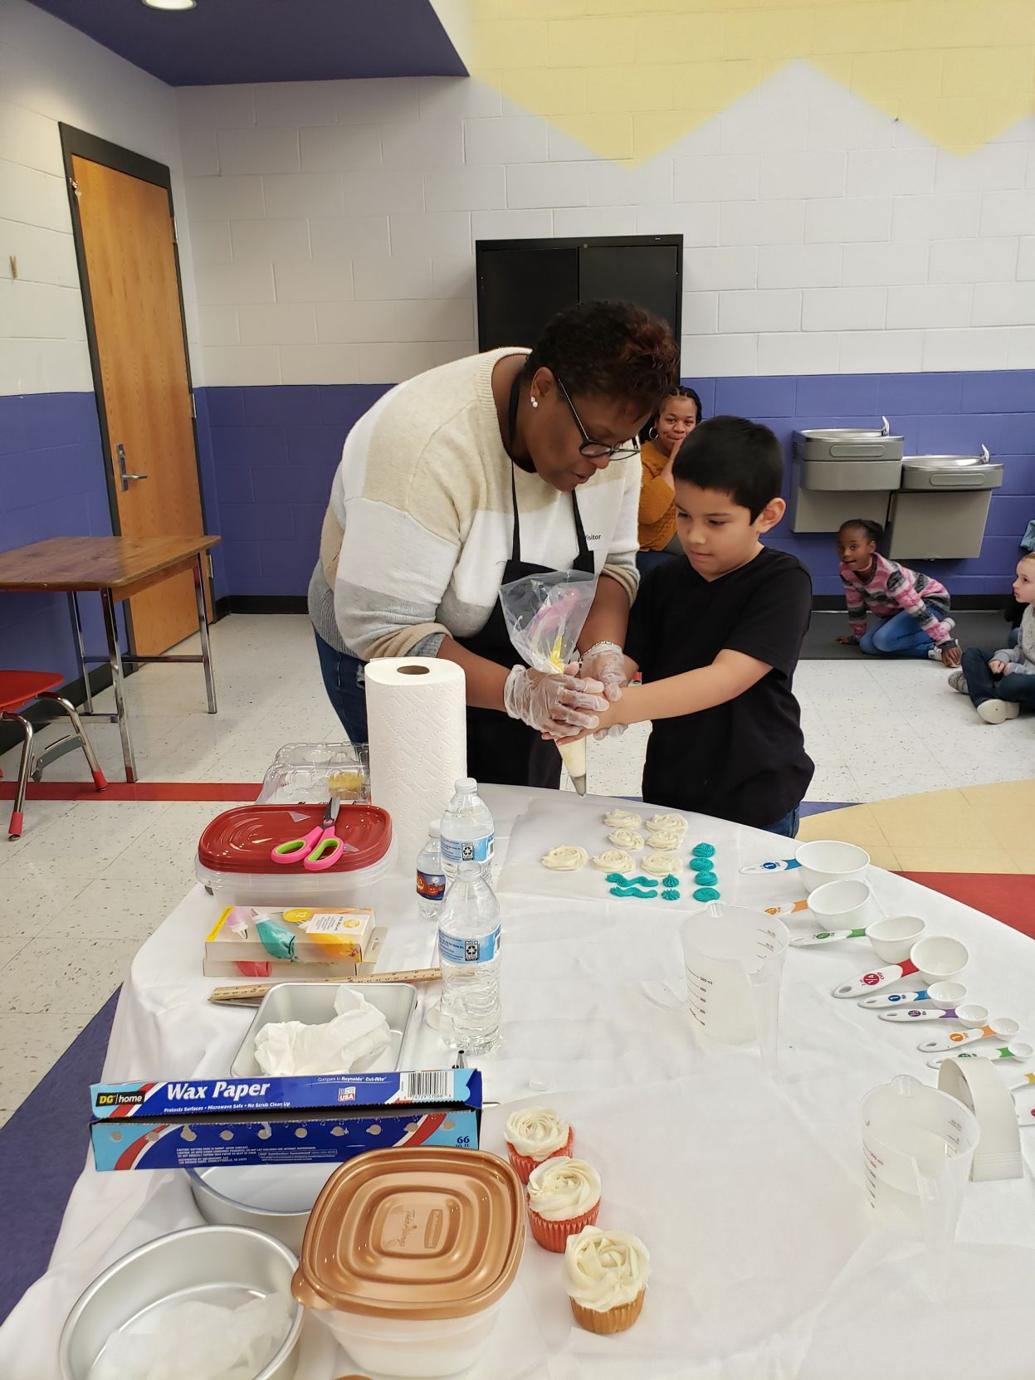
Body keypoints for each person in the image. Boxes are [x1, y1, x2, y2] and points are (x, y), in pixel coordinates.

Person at [307, 299, 679, 788]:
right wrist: (519, 692)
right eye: (595, 443)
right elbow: (385, 630)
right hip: (396, 650)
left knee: (526, 806)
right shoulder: (423, 445)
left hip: (531, 649)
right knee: (432, 810)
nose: (604, 464)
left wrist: (603, 651)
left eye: (620, 446)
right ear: (542, 388)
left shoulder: (609, 436)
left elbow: (615, 566)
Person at [556, 416, 814, 837]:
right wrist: (596, 683)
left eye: (716, 522)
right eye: (683, 515)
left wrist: (617, 710)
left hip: (756, 793)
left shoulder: (783, 582)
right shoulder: (666, 580)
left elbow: (725, 679)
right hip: (671, 785)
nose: (694, 537)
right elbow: (626, 657)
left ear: (767, 515)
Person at [835, 519, 962, 667]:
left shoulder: (889, 573)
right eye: (840, 547)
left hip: (930, 602)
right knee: (867, 646)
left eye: (853, 547)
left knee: (883, 641)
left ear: (871, 547)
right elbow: (854, 604)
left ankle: (939, 634)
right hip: (901, 610)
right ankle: (930, 650)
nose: (845, 553)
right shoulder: (846, 570)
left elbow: (915, 606)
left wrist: (945, 641)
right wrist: (857, 635)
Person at [949, 553, 1035, 723]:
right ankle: (989, 701)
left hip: (1027, 678)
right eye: (1017, 577)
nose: (1015, 584)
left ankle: (979, 689)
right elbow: (1021, 649)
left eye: (1025, 580)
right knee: (972, 654)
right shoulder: (1028, 611)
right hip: (1020, 669)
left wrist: (1013, 670)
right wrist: (1002, 658)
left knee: (1013, 684)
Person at [636, 385, 702, 575]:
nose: (679, 429)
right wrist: (674, 460)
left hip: (688, 524)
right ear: (656, 422)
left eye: (688, 422)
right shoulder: (641, 459)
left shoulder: (698, 454)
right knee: (719, 552)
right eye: (671, 420)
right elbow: (648, 513)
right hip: (655, 537)